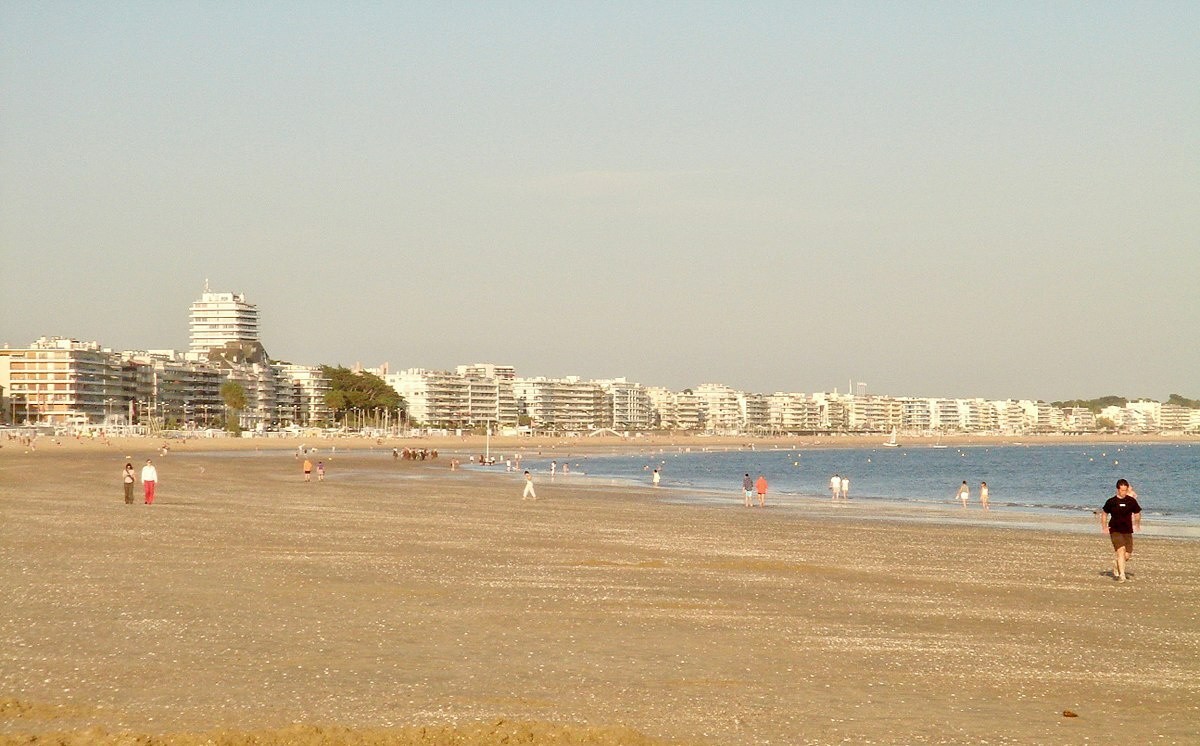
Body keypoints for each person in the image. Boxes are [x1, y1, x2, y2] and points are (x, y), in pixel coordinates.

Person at [1100, 478, 1141, 583]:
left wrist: (1137, 523)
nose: (1124, 492)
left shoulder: (1131, 501)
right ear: (1118, 489)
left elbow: (1137, 513)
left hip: (1127, 530)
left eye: (1125, 490)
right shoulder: (1111, 502)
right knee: (1121, 550)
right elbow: (1104, 513)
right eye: (1122, 490)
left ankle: (1117, 563)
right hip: (1115, 530)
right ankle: (1122, 575)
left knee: (1127, 554)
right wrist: (1104, 526)